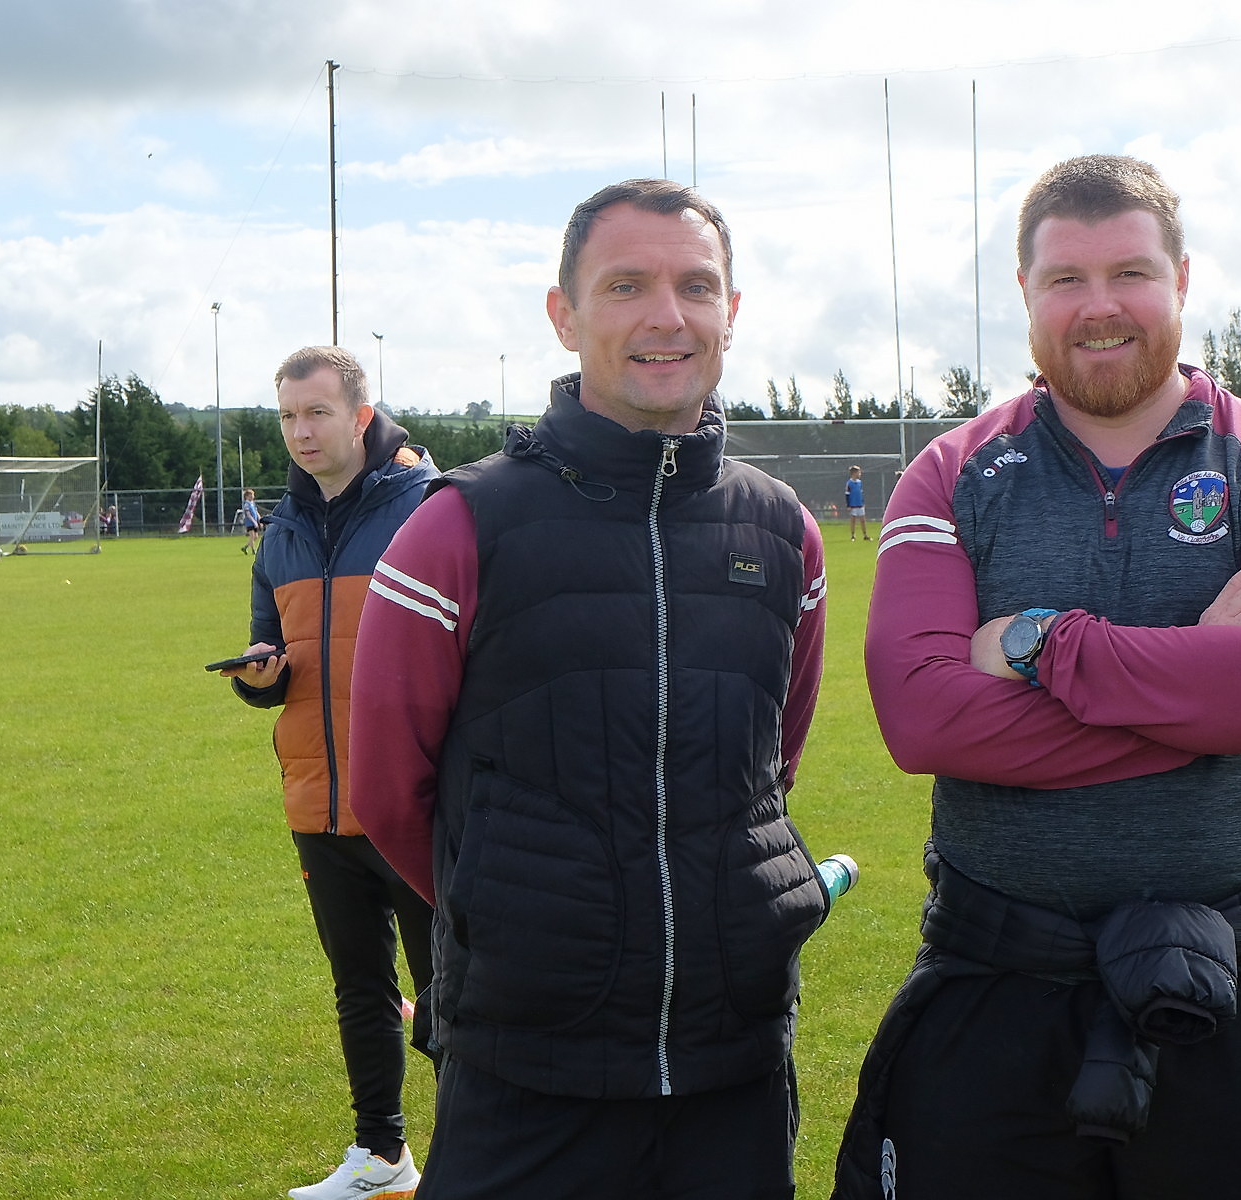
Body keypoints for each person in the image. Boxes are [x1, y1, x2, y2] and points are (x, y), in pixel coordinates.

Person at [831, 155, 1241, 1200]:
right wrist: (1209, 692)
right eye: (1065, 279)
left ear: (1181, 279)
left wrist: (1040, 647)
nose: (1100, 308)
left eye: (1129, 273)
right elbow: (922, 721)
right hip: (999, 987)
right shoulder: (948, 473)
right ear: (1026, 297)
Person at [350, 179, 830, 1200]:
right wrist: (516, 910)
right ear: (564, 316)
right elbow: (393, 796)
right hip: (531, 1072)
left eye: (696, 286)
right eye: (625, 286)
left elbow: (770, 764)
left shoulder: (784, 531)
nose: (667, 316)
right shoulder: (457, 527)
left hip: (732, 1067)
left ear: (731, 314)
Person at [219, 345, 438, 1200]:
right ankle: (381, 1157)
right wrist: (258, 675)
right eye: (286, 417)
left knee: (450, 999)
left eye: (315, 413)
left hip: (413, 805)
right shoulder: (280, 530)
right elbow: (265, 668)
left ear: (359, 414)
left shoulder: (428, 509)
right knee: (359, 991)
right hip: (317, 800)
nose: (299, 432)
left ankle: (470, 1157)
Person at [846, 463, 869, 540]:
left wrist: (863, 502)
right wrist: (848, 505)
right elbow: (847, 494)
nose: (860, 474)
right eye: (858, 472)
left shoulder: (860, 483)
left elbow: (861, 493)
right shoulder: (849, 483)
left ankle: (865, 535)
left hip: (860, 504)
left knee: (863, 520)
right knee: (853, 521)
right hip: (853, 505)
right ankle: (853, 535)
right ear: (854, 473)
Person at [241, 487, 264, 555]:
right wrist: (254, 522)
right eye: (251, 495)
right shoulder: (246, 504)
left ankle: (245, 547)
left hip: (254, 522)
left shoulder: (252, 503)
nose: (253, 497)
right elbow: (248, 514)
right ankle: (253, 550)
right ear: (247, 496)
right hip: (249, 523)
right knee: (252, 536)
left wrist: (259, 520)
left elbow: (256, 512)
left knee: (256, 536)